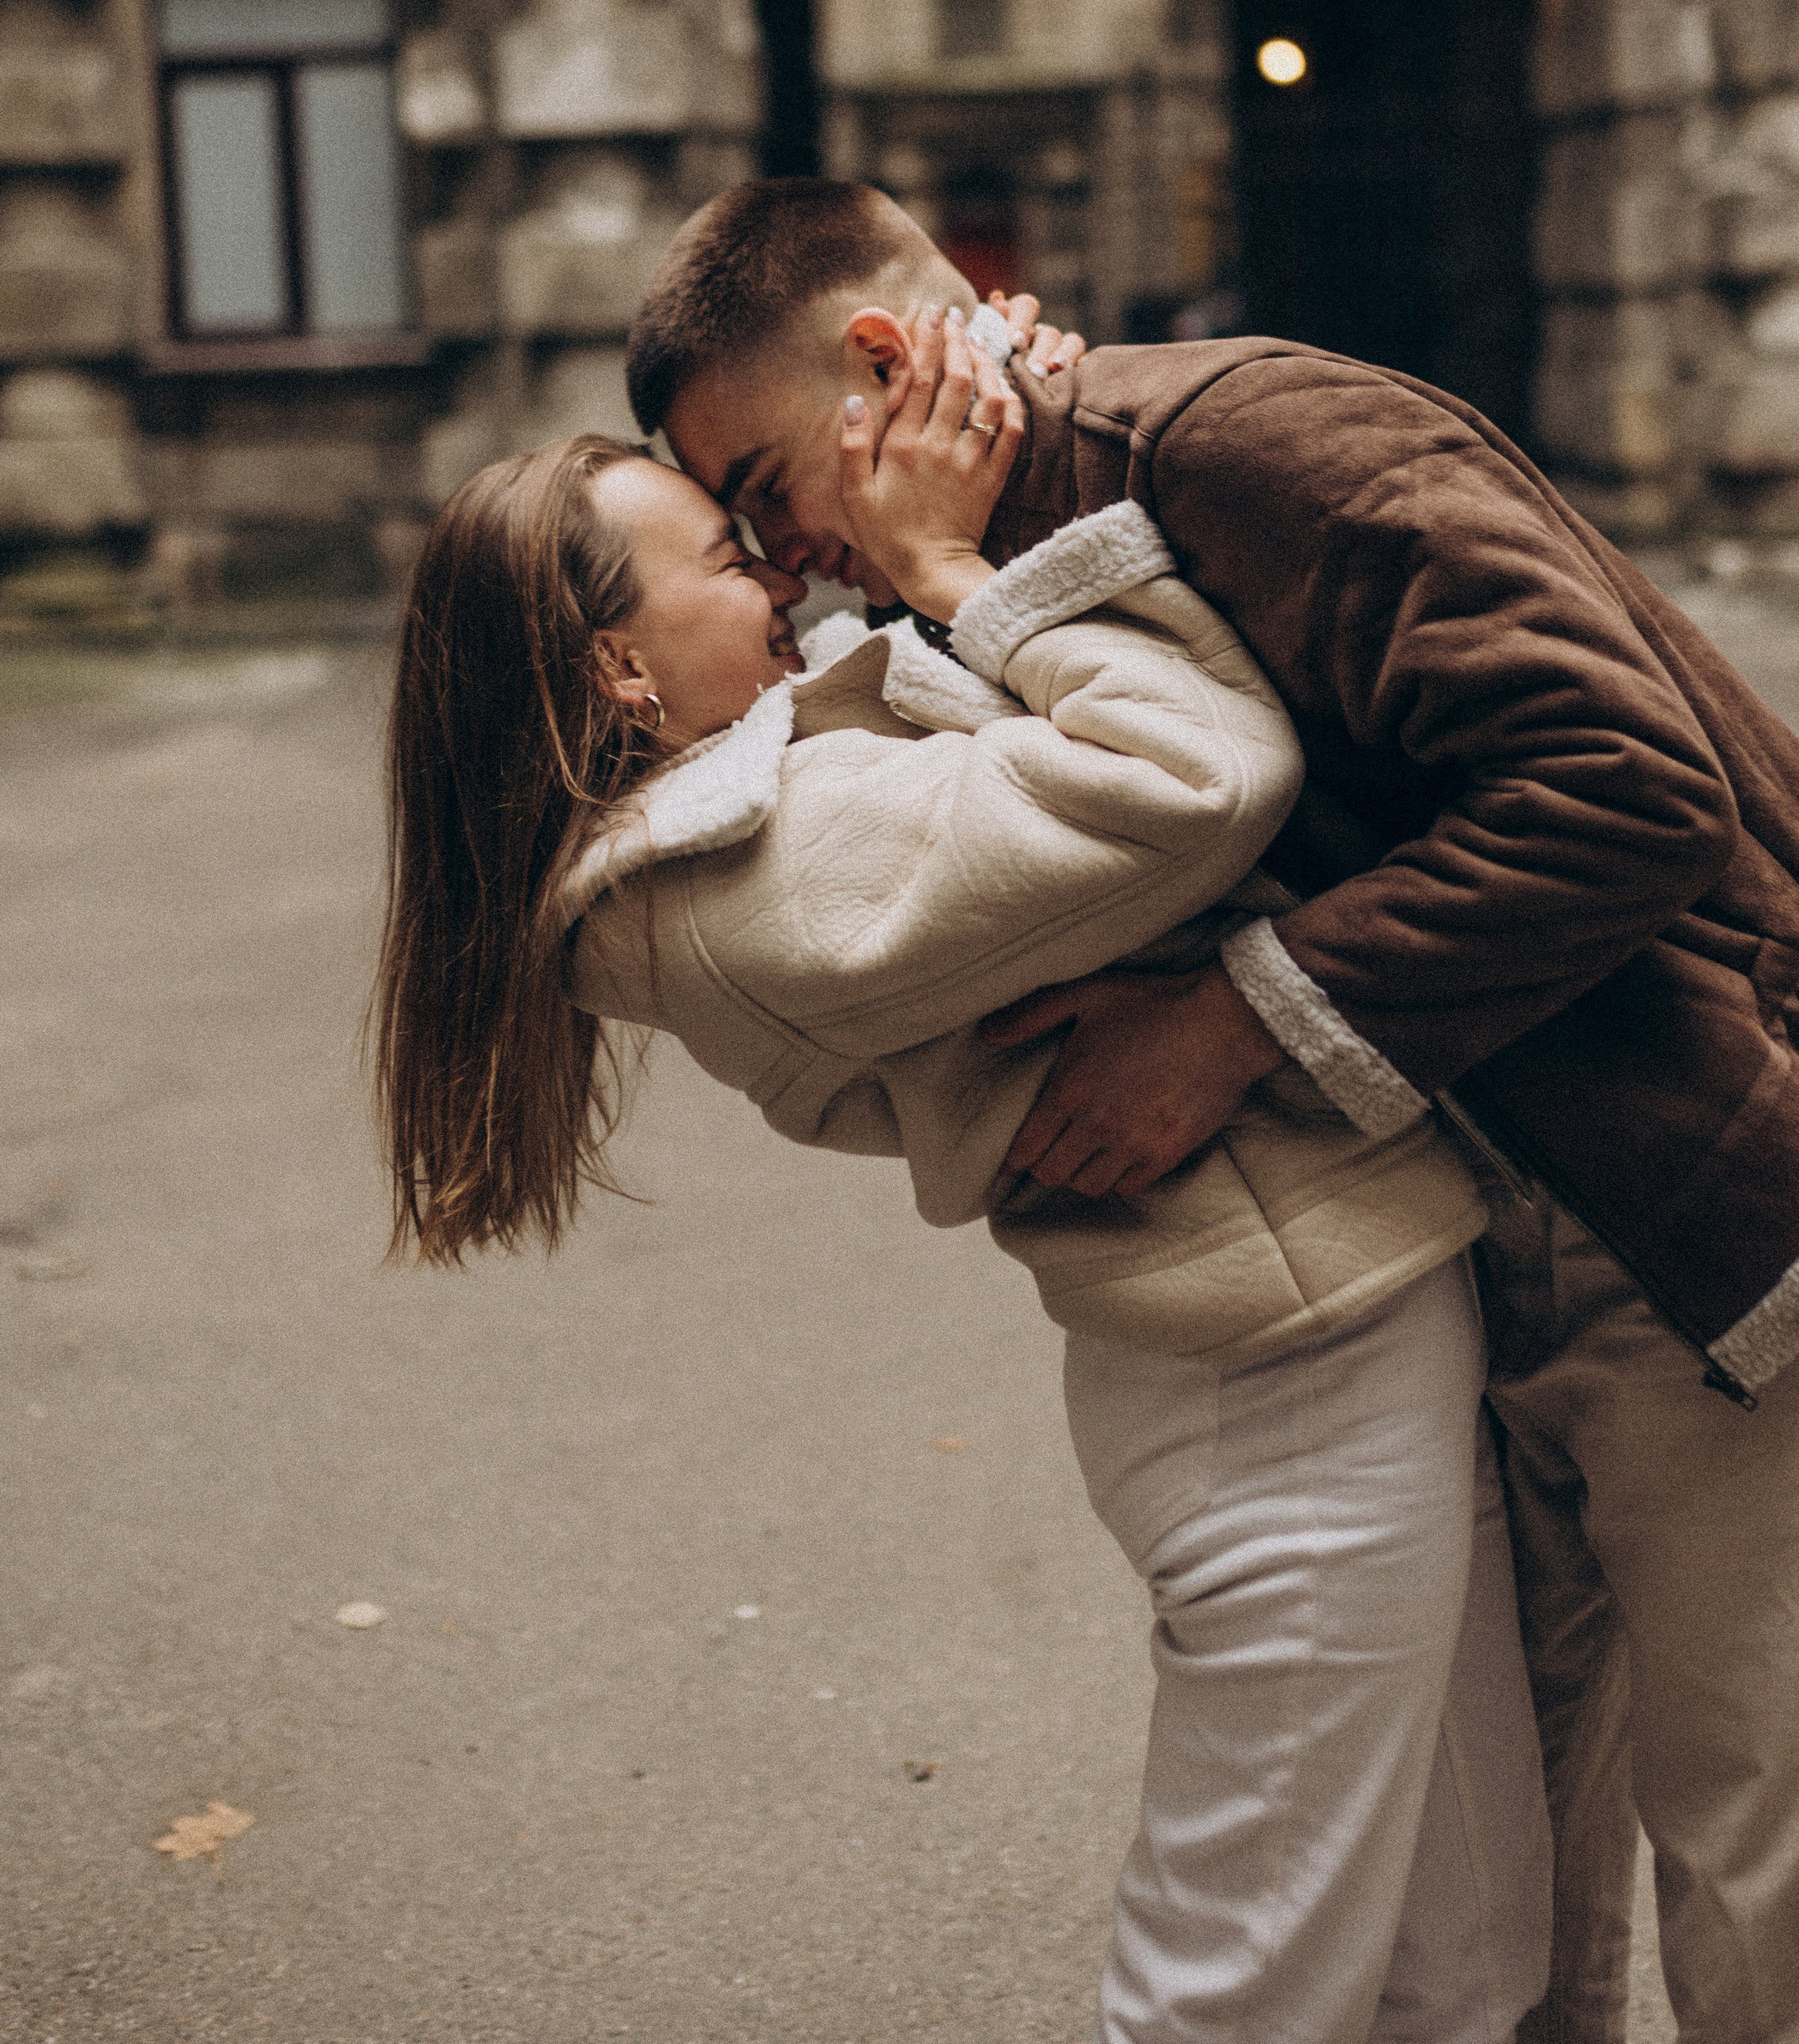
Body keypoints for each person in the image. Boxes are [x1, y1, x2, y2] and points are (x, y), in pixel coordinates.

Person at [629, 175, 1799, 2044]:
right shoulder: (1005, 567)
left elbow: (1625, 788)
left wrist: (1234, 1025)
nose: (781, 563)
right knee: (1529, 1904)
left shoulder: (1249, 436)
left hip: (1689, 1186)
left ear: (881, 362)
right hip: (1451, 1226)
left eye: (769, 491)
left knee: (1783, 1866)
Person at [371, 309, 1553, 2044]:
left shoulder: (742, 816)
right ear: (619, 672)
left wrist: (997, 407)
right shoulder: (765, 875)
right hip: (1281, 1377)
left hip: (1305, 1330)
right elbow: (1196, 768)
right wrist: (941, 553)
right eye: (722, 552)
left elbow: (920, 698)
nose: (778, 573)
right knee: (1235, 1993)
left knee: (1458, 1959)